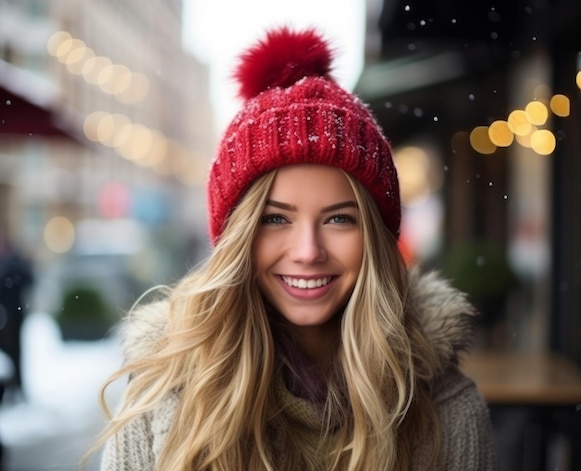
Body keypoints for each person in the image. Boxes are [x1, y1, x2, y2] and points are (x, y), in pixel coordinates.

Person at [94, 27, 496, 470]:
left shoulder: (447, 407)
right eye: (275, 219)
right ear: (238, 239)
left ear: (377, 239)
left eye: (340, 219)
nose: (307, 251)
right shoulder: (160, 396)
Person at [0, 228, 33, 397]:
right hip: (5, 315)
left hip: (14, 316)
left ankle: (17, 388)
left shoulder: (15, 259)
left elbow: (28, 279)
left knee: (15, 354)